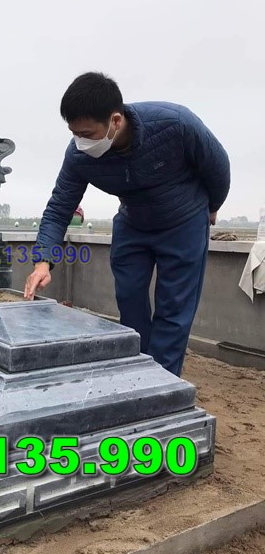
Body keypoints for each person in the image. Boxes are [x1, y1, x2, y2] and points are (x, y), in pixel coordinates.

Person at [24, 72, 231, 377]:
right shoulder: (79, 155)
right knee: (129, 300)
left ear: (116, 121)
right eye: (74, 133)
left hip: (183, 222)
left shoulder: (175, 124)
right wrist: (43, 261)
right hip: (133, 223)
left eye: (87, 133)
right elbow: (59, 208)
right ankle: (136, 372)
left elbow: (218, 166)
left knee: (173, 311)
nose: (81, 142)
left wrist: (212, 207)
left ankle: (161, 384)